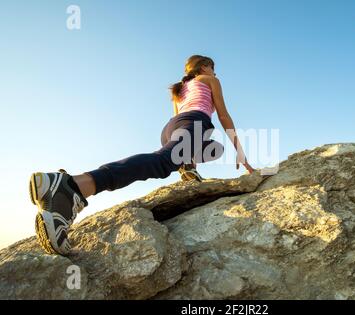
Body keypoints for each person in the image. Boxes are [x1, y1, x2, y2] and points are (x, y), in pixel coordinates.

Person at [28, 55, 254, 255]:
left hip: (171, 128)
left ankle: (187, 166)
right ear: (205, 67)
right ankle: (72, 187)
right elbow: (223, 115)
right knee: (162, 162)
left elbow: (177, 120)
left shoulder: (180, 90)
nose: (215, 72)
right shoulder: (210, 80)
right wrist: (241, 151)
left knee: (214, 149)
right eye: (213, 68)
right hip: (195, 123)